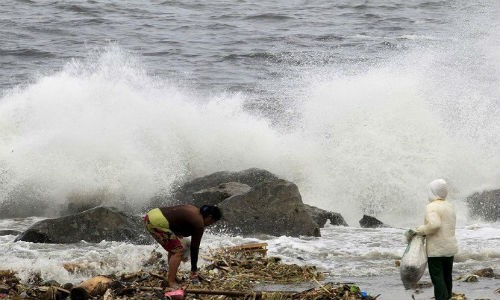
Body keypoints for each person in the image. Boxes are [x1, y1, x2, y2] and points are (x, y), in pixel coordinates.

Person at [144, 204, 222, 288]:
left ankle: (172, 276)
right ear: (210, 217)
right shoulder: (199, 223)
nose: (210, 225)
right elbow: (194, 247)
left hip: (152, 214)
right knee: (178, 250)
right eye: (212, 222)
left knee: (174, 248)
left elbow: (175, 217)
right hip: (156, 222)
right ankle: (171, 282)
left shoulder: (194, 210)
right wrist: (194, 269)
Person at [407, 179, 458, 300]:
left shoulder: (431, 207)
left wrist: (419, 230)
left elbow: (435, 225)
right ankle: (447, 297)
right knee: (447, 277)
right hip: (450, 248)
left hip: (436, 251)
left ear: (433, 192)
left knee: (437, 278)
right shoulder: (450, 206)